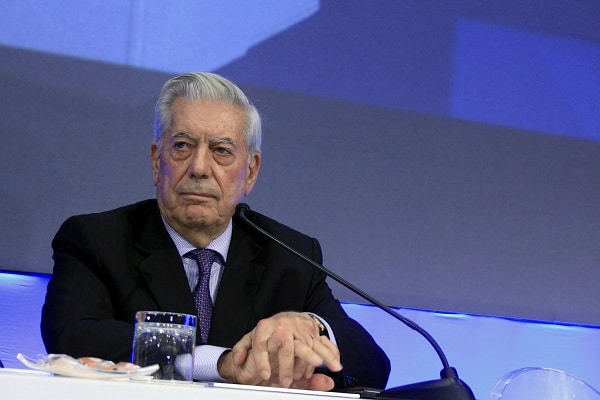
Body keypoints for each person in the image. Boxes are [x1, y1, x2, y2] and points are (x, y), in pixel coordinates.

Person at [41, 72, 390, 391]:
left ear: (250, 172)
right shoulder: (97, 240)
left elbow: (373, 366)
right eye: (182, 146)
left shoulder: (290, 256)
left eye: (221, 151)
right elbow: (71, 337)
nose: (199, 168)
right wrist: (219, 363)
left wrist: (312, 328)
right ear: (157, 160)